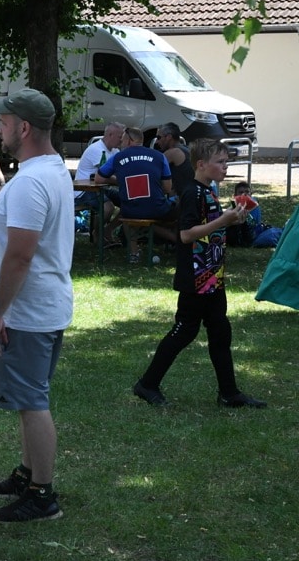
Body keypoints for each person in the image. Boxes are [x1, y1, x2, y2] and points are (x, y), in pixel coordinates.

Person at [0, 88, 74, 523]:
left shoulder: (31, 182)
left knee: (33, 401)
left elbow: (19, 256)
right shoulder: (52, 170)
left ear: (23, 128)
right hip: (44, 305)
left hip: (28, 312)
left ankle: (41, 494)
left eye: (3, 122)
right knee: (26, 398)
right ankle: (28, 473)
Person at [133, 139, 267, 409]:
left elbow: (210, 229)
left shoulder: (208, 191)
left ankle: (229, 393)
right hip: (196, 277)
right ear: (201, 164)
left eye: (227, 162)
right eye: (220, 162)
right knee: (184, 330)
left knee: (220, 331)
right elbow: (186, 235)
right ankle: (147, 384)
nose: (225, 167)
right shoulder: (192, 193)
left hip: (212, 275)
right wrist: (223, 220)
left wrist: (232, 221)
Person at [95, 127, 179, 263]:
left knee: (130, 212)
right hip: (158, 209)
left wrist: (120, 181)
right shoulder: (159, 156)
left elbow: (99, 179)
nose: (121, 143)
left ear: (129, 140)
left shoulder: (118, 157)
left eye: (123, 140)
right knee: (178, 206)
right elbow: (167, 188)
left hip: (130, 210)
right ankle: (180, 240)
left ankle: (134, 253)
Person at [74, 122, 123, 228]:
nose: (122, 140)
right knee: (108, 207)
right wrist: (121, 181)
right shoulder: (96, 149)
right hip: (84, 190)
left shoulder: (115, 151)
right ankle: (97, 233)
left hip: (102, 189)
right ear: (110, 135)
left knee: (129, 204)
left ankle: (108, 231)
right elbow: (103, 176)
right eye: (120, 137)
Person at [225, 181, 281, 248]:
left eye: (247, 192)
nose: (244, 194)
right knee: (273, 234)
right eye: (241, 192)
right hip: (248, 238)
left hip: (256, 230)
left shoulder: (253, 202)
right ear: (235, 196)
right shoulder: (231, 211)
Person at [155, 122, 195, 196]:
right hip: (190, 194)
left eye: (158, 137)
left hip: (182, 198)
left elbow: (151, 169)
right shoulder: (185, 148)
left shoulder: (173, 152)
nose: (157, 141)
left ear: (169, 137)